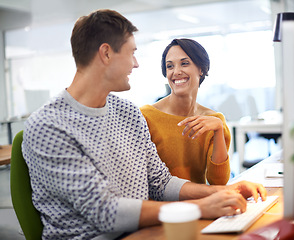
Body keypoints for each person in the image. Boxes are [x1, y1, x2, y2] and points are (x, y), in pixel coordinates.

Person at [22, 9, 266, 240]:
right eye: (131, 53)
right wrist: (201, 207)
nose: (136, 63)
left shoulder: (127, 112)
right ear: (106, 54)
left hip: (145, 231)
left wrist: (226, 191)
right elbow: (106, 212)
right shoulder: (48, 126)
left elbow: (160, 182)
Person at [140, 38, 230, 185]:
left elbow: (218, 182)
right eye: (170, 66)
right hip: (159, 207)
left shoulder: (214, 121)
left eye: (184, 63)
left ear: (201, 69)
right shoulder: (145, 116)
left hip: (199, 204)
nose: (176, 72)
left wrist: (219, 130)